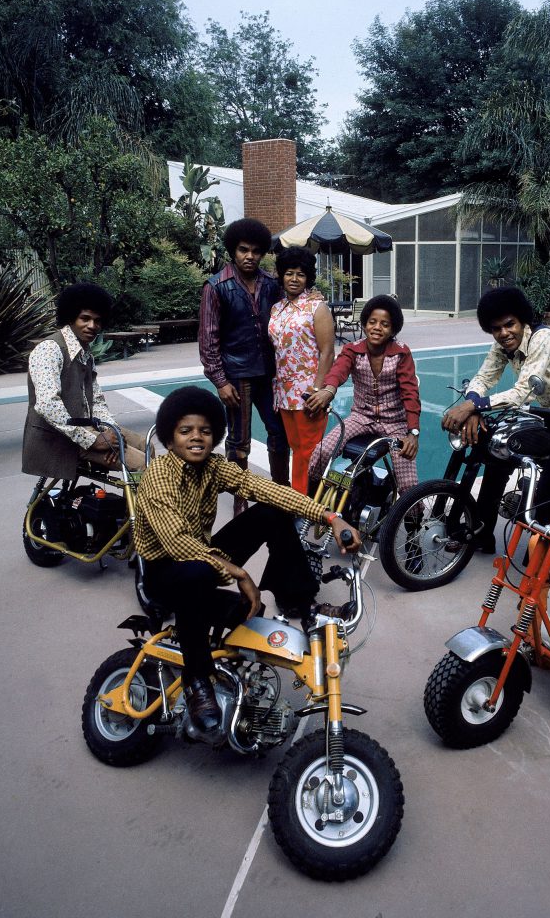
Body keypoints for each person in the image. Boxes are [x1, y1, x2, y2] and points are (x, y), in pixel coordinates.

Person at [133, 386, 362, 732]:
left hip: (203, 560)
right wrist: (239, 573)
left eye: (205, 431)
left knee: (271, 513)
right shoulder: (159, 475)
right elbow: (177, 542)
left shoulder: (213, 467)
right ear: (170, 436)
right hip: (166, 572)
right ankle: (198, 682)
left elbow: (265, 489)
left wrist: (329, 517)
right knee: (195, 575)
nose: (196, 438)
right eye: (185, 431)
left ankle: (302, 604)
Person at [441, 287, 550, 548]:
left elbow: (522, 392)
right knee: (496, 455)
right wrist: (472, 406)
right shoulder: (501, 345)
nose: (504, 333)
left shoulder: (542, 339)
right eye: (496, 328)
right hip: (549, 415)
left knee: (549, 488)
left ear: (522, 320)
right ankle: (482, 533)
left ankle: (546, 552)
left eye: (509, 324)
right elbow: (484, 377)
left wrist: (471, 407)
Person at [199, 218, 290, 513]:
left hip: (268, 373)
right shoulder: (216, 287)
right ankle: (240, 500)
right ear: (232, 251)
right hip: (236, 375)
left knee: (279, 433)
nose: (249, 256)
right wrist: (220, 381)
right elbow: (208, 339)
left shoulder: (270, 285)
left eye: (255, 251)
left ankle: (280, 492)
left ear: (263, 252)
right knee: (239, 441)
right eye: (243, 250)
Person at [22, 282, 147, 479]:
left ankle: (132, 509)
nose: (92, 326)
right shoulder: (50, 349)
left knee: (145, 447)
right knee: (141, 463)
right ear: (70, 317)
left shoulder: (85, 354)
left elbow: (96, 401)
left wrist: (112, 433)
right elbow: (47, 405)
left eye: (97, 321)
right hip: (58, 439)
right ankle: (140, 510)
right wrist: (93, 441)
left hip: (84, 428)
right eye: (85, 319)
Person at [306, 294, 420, 495]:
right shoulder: (353, 349)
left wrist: (413, 433)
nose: (377, 327)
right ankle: (312, 501)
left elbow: (410, 393)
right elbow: (338, 370)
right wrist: (328, 390)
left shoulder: (401, 353)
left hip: (395, 422)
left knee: (408, 480)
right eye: (372, 322)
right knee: (322, 451)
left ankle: (414, 521)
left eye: (385, 324)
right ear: (365, 324)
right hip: (361, 417)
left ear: (393, 329)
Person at [268, 247, 335, 494]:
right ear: (281, 276)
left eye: (300, 274)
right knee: (296, 449)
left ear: (308, 278)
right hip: (284, 392)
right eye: (289, 273)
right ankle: (300, 501)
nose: (294, 279)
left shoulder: (317, 307)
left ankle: (305, 505)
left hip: (308, 392)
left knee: (309, 451)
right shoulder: (277, 308)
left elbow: (327, 352)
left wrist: (317, 390)